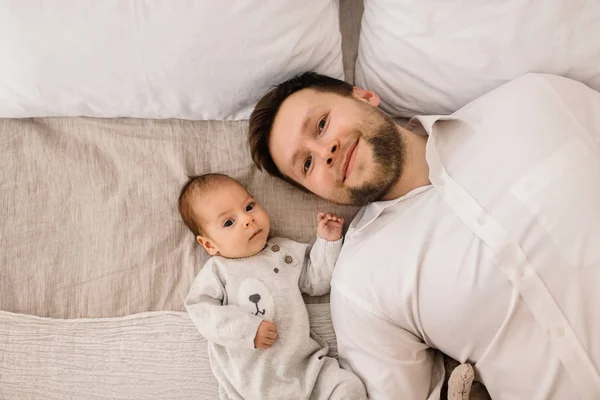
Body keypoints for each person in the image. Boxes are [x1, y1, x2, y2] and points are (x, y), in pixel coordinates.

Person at [248, 72, 600, 398]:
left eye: (322, 124)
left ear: (365, 96)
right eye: (306, 165)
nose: (325, 152)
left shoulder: (531, 102)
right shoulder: (361, 284)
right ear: (316, 193)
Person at [178, 173, 367, 400]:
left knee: (348, 387)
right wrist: (247, 329)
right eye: (229, 222)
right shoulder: (218, 271)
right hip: (255, 382)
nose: (247, 219)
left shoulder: (282, 252)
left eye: (249, 206)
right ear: (209, 244)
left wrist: (327, 242)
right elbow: (201, 311)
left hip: (307, 368)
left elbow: (316, 282)